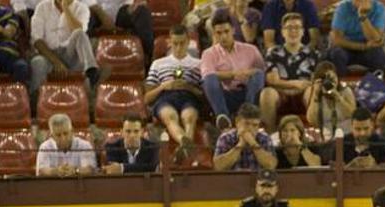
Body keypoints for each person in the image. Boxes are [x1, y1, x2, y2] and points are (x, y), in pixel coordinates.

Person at [144, 25, 203, 161]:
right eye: (175, 43)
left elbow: (202, 95)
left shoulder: (198, 64)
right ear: (170, 42)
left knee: (189, 117)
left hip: (189, 96)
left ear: (188, 42)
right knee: (170, 116)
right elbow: (147, 98)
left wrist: (188, 87)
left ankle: (184, 145)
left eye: (182, 43)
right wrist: (164, 86)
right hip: (165, 97)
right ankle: (186, 142)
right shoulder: (158, 64)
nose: (178, 47)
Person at [201, 8, 266, 130]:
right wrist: (233, 74)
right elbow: (208, 76)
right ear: (214, 34)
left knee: (258, 75)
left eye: (226, 31)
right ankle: (223, 116)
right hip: (224, 96)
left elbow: (261, 73)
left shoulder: (251, 50)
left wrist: (248, 73)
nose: (223, 36)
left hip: (247, 93)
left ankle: (247, 113)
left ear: (233, 30)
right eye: (219, 33)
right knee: (209, 79)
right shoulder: (208, 54)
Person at [29, 0, 105, 95]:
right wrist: (56, 62)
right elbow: (37, 40)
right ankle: (36, 99)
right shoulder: (42, 7)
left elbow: (79, 30)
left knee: (79, 33)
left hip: (71, 55)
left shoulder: (82, 8)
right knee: (37, 62)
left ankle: (91, 72)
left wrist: (65, 8)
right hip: (48, 55)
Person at [260, 12, 318, 131]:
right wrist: (296, 84)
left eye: (297, 27)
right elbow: (272, 80)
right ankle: (271, 136)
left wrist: (287, 84)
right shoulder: (273, 52)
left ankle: (316, 134)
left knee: (314, 90)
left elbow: (314, 81)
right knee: (267, 93)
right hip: (281, 96)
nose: (293, 31)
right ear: (282, 32)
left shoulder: (313, 54)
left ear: (303, 31)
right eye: (289, 28)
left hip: (304, 95)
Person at [222, 169, 299, 207]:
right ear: (256, 188)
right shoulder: (248, 205)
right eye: (263, 186)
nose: (266, 190)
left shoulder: (281, 206)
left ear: (276, 189)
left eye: (270, 186)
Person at [327, 0, 385, 75]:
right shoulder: (343, 8)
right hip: (346, 47)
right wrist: (364, 46)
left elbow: (376, 39)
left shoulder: (379, 8)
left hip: (369, 49)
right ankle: (340, 84)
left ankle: (375, 84)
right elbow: (337, 40)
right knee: (337, 54)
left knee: (378, 55)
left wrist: (363, 16)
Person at [87, 0, 154, 65]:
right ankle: (84, 60)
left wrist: (134, 5)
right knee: (83, 16)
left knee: (142, 11)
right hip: (94, 10)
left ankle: (147, 58)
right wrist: (101, 14)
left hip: (121, 10)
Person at [213, 103, 277, 171]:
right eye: (247, 123)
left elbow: (271, 165)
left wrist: (253, 143)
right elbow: (218, 167)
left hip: (257, 180)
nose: (250, 129)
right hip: (231, 180)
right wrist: (240, 145)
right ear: (237, 122)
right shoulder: (226, 138)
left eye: (255, 125)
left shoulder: (264, 138)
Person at [304, 61, 357, 141]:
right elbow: (312, 121)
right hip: (325, 137)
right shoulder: (312, 91)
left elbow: (353, 115)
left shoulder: (346, 91)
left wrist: (338, 97)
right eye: (325, 79)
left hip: (347, 135)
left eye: (332, 78)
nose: (328, 82)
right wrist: (316, 96)